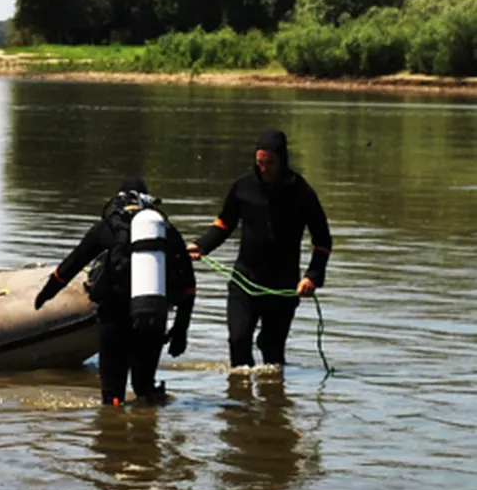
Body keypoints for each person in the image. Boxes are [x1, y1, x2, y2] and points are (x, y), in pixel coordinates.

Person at [34, 177, 197, 406]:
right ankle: (147, 431)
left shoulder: (109, 227)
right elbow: (188, 284)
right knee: (144, 389)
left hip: (114, 317)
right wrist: (181, 329)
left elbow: (71, 265)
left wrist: (45, 295)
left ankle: (112, 431)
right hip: (151, 318)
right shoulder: (165, 231)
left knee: (112, 394)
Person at [185, 130, 332, 368]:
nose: (264, 168)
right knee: (238, 339)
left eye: (270, 163)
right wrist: (201, 245)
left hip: (283, 285)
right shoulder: (243, 187)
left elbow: (323, 241)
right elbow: (224, 223)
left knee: (272, 350)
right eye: (260, 162)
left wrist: (312, 276)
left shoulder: (302, 192)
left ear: (283, 160)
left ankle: (269, 398)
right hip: (244, 279)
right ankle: (242, 402)